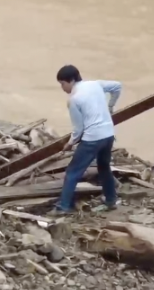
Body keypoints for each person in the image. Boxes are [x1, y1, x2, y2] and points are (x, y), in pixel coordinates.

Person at [51, 65, 122, 215]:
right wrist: (111, 106)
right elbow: (117, 86)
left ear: (71, 80)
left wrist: (70, 143)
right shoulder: (95, 84)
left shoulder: (74, 100)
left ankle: (63, 207)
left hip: (93, 138)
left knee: (73, 172)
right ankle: (111, 200)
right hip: (108, 134)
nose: (62, 88)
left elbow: (78, 129)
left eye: (62, 84)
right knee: (104, 167)